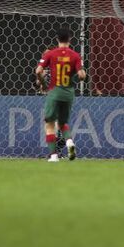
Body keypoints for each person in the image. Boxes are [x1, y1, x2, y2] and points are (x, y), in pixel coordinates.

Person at [35, 27, 86, 162]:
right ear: (70, 39)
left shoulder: (50, 54)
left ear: (57, 39)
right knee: (63, 123)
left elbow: (38, 71)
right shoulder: (75, 55)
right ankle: (69, 142)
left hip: (54, 91)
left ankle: (53, 156)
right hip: (68, 93)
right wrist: (73, 79)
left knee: (49, 123)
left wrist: (44, 85)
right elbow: (82, 76)